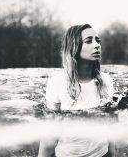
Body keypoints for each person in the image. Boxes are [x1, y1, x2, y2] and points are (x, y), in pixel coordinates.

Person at [38, 24, 117, 157]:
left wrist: (113, 153)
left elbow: (111, 127)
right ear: (74, 47)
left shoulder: (106, 80)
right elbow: (49, 137)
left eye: (98, 40)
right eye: (89, 41)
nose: (97, 45)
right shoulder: (57, 83)